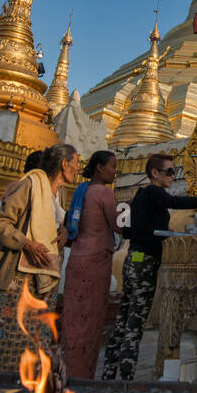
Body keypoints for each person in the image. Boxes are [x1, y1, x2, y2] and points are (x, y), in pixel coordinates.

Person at [102, 154, 197, 380]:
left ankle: (108, 374)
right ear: (155, 173)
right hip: (144, 262)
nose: (173, 176)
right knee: (135, 323)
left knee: (123, 319)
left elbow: (131, 230)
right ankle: (125, 379)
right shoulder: (154, 192)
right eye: (169, 172)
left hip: (134, 258)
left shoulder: (142, 195)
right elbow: (174, 202)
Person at [0, 144, 77, 371]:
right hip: (19, 277)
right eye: (75, 163)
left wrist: (63, 231)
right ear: (64, 164)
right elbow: (0, 223)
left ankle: (30, 387)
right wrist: (26, 243)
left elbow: (52, 224)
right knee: (11, 340)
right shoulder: (29, 185)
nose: (77, 169)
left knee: (38, 340)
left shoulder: (59, 192)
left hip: (45, 278)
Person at [62, 150, 119, 378]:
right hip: (96, 261)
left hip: (77, 258)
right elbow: (118, 225)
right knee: (90, 321)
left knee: (73, 320)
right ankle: (82, 376)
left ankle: (67, 371)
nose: (115, 172)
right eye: (113, 167)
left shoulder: (81, 190)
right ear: (100, 168)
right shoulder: (104, 193)